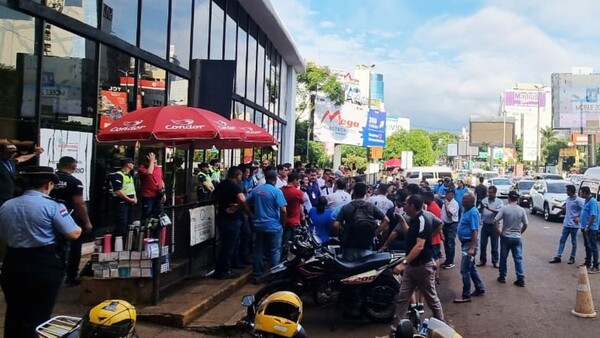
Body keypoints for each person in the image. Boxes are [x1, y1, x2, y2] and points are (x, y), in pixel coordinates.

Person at [0, 166, 81, 338]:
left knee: (15, 311)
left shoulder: (6, 205)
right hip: (43, 263)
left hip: (13, 262)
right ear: (47, 185)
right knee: (40, 313)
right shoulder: (52, 206)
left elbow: (4, 234)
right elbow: (73, 233)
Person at [389, 194, 445, 337]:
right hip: (412, 266)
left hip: (423, 266)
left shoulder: (422, 220)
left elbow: (419, 246)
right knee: (403, 297)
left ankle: (442, 329)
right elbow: (411, 236)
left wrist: (404, 263)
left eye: (406, 204)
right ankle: (395, 331)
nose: (404, 206)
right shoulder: (414, 220)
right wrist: (402, 221)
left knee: (431, 298)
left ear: (412, 206)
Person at [50, 156, 93, 286]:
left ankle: (54, 274)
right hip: (70, 217)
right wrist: (87, 222)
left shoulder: (50, 180)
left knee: (53, 246)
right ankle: (71, 275)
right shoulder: (74, 182)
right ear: (73, 167)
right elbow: (79, 203)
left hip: (49, 217)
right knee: (74, 247)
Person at [333, 182, 389, 260]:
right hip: (366, 245)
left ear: (354, 192)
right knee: (365, 269)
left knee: (349, 269)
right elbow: (386, 220)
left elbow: (336, 225)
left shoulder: (346, 207)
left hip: (349, 245)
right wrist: (375, 234)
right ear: (365, 193)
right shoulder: (371, 206)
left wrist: (339, 236)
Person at [247, 170, 287, 279]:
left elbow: (246, 201)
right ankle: (274, 277)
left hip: (259, 225)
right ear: (275, 179)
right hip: (274, 226)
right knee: (275, 251)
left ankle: (257, 275)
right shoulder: (276, 191)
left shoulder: (257, 190)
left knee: (259, 250)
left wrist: (250, 214)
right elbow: (283, 210)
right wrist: (282, 223)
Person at [213, 167, 251, 279]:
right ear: (237, 175)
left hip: (221, 217)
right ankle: (225, 271)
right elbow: (242, 199)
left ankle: (219, 270)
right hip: (233, 219)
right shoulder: (235, 186)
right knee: (230, 246)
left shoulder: (221, 184)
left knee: (224, 245)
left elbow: (214, 196)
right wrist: (249, 213)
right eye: (240, 176)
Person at [453, 193, 485, 303]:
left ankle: (466, 295)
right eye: (463, 199)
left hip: (469, 244)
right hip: (465, 243)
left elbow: (475, 231)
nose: (463, 201)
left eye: (465, 200)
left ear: (471, 202)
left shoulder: (473, 212)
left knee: (464, 270)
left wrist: (472, 248)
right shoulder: (465, 210)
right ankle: (480, 288)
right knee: (471, 268)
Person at [494, 191, 528, 286]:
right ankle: (520, 278)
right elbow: (526, 224)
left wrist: (498, 231)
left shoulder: (504, 208)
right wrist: (520, 232)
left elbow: (495, 220)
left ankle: (502, 276)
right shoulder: (521, 210)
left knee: (503, 257)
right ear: (517, 199)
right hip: (517, 237)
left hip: (506, 236)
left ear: (509, 198)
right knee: (518, 258)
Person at [549, 184, 584, 264]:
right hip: (566, 223)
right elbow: (566, 208)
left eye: (567, 190)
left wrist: (579, 218)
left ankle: (572, 257)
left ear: (571, 191)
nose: (566, 192)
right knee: (562, 240)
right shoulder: (568, 199)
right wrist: (557, 208)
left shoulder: (578, 200)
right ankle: (558, 256)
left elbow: (584, 209)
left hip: (574, 225)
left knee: (573, 241)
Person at [477, 185, 503, 268]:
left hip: (494, 226)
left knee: (494, 245)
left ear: (495, 193)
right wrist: (481, 208)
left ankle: (495, 261)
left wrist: (488, 208)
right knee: (483, 244)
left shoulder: (499, 202)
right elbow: (479, 210)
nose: (489, 194)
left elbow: (499, 212)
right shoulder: (484, 200)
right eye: (488, 192)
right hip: (485, 225)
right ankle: (482, 260)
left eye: (491, 193)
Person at [110, 157, 137, 236]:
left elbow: (132, 188)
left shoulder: (129, 176)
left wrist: (135, 198)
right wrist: (129, 199)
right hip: (121, 203)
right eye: (132, 163)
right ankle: (117, 242)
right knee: (121, 223)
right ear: (128, 164)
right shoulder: (118, 175)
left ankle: (125, 242)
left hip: (130, 203)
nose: (133, 165)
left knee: (128, 223)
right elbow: (118, 191)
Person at [138, 152, 166, 222]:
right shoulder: (142, 168)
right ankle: (145, 230)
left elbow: (161, 180)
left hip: (157, 195)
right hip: (147, 196)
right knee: (146, 214)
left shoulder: (158, 168)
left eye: (155, 162)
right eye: (153, 162)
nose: (155, 164)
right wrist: (151, 161)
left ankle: (156, 231)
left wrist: (163, 191)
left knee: (158, 214)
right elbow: (149, 172)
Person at [280, 172, 305, 250]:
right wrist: (303, 216)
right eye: (298, 181)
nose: (299, 183)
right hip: (294, 222)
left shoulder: (280, 190)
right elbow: (301, 204)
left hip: (281, 221)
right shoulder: (298, 193)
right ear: (295, 180)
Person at [578, 186, 599, 273]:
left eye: (581, 192)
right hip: (584, 227)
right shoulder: (586, 201)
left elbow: (593, 215)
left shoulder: (592, 202)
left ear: (585, 193)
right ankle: (588, 262)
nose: (580, 194)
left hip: (591, 228)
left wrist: (588, 226)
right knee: (587, 246)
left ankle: (595, 266)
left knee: (592, 246)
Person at [441, 189, 459, 269]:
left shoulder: (454, 204)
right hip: (445, 224)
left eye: (447, 193)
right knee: (446, 243)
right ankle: (447, 260)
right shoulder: (446, 202)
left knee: (450, 244)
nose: (445, 195)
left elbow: (449, 214)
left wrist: (446, 205)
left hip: (452, 225)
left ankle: (451, 262)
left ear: (452, 194)